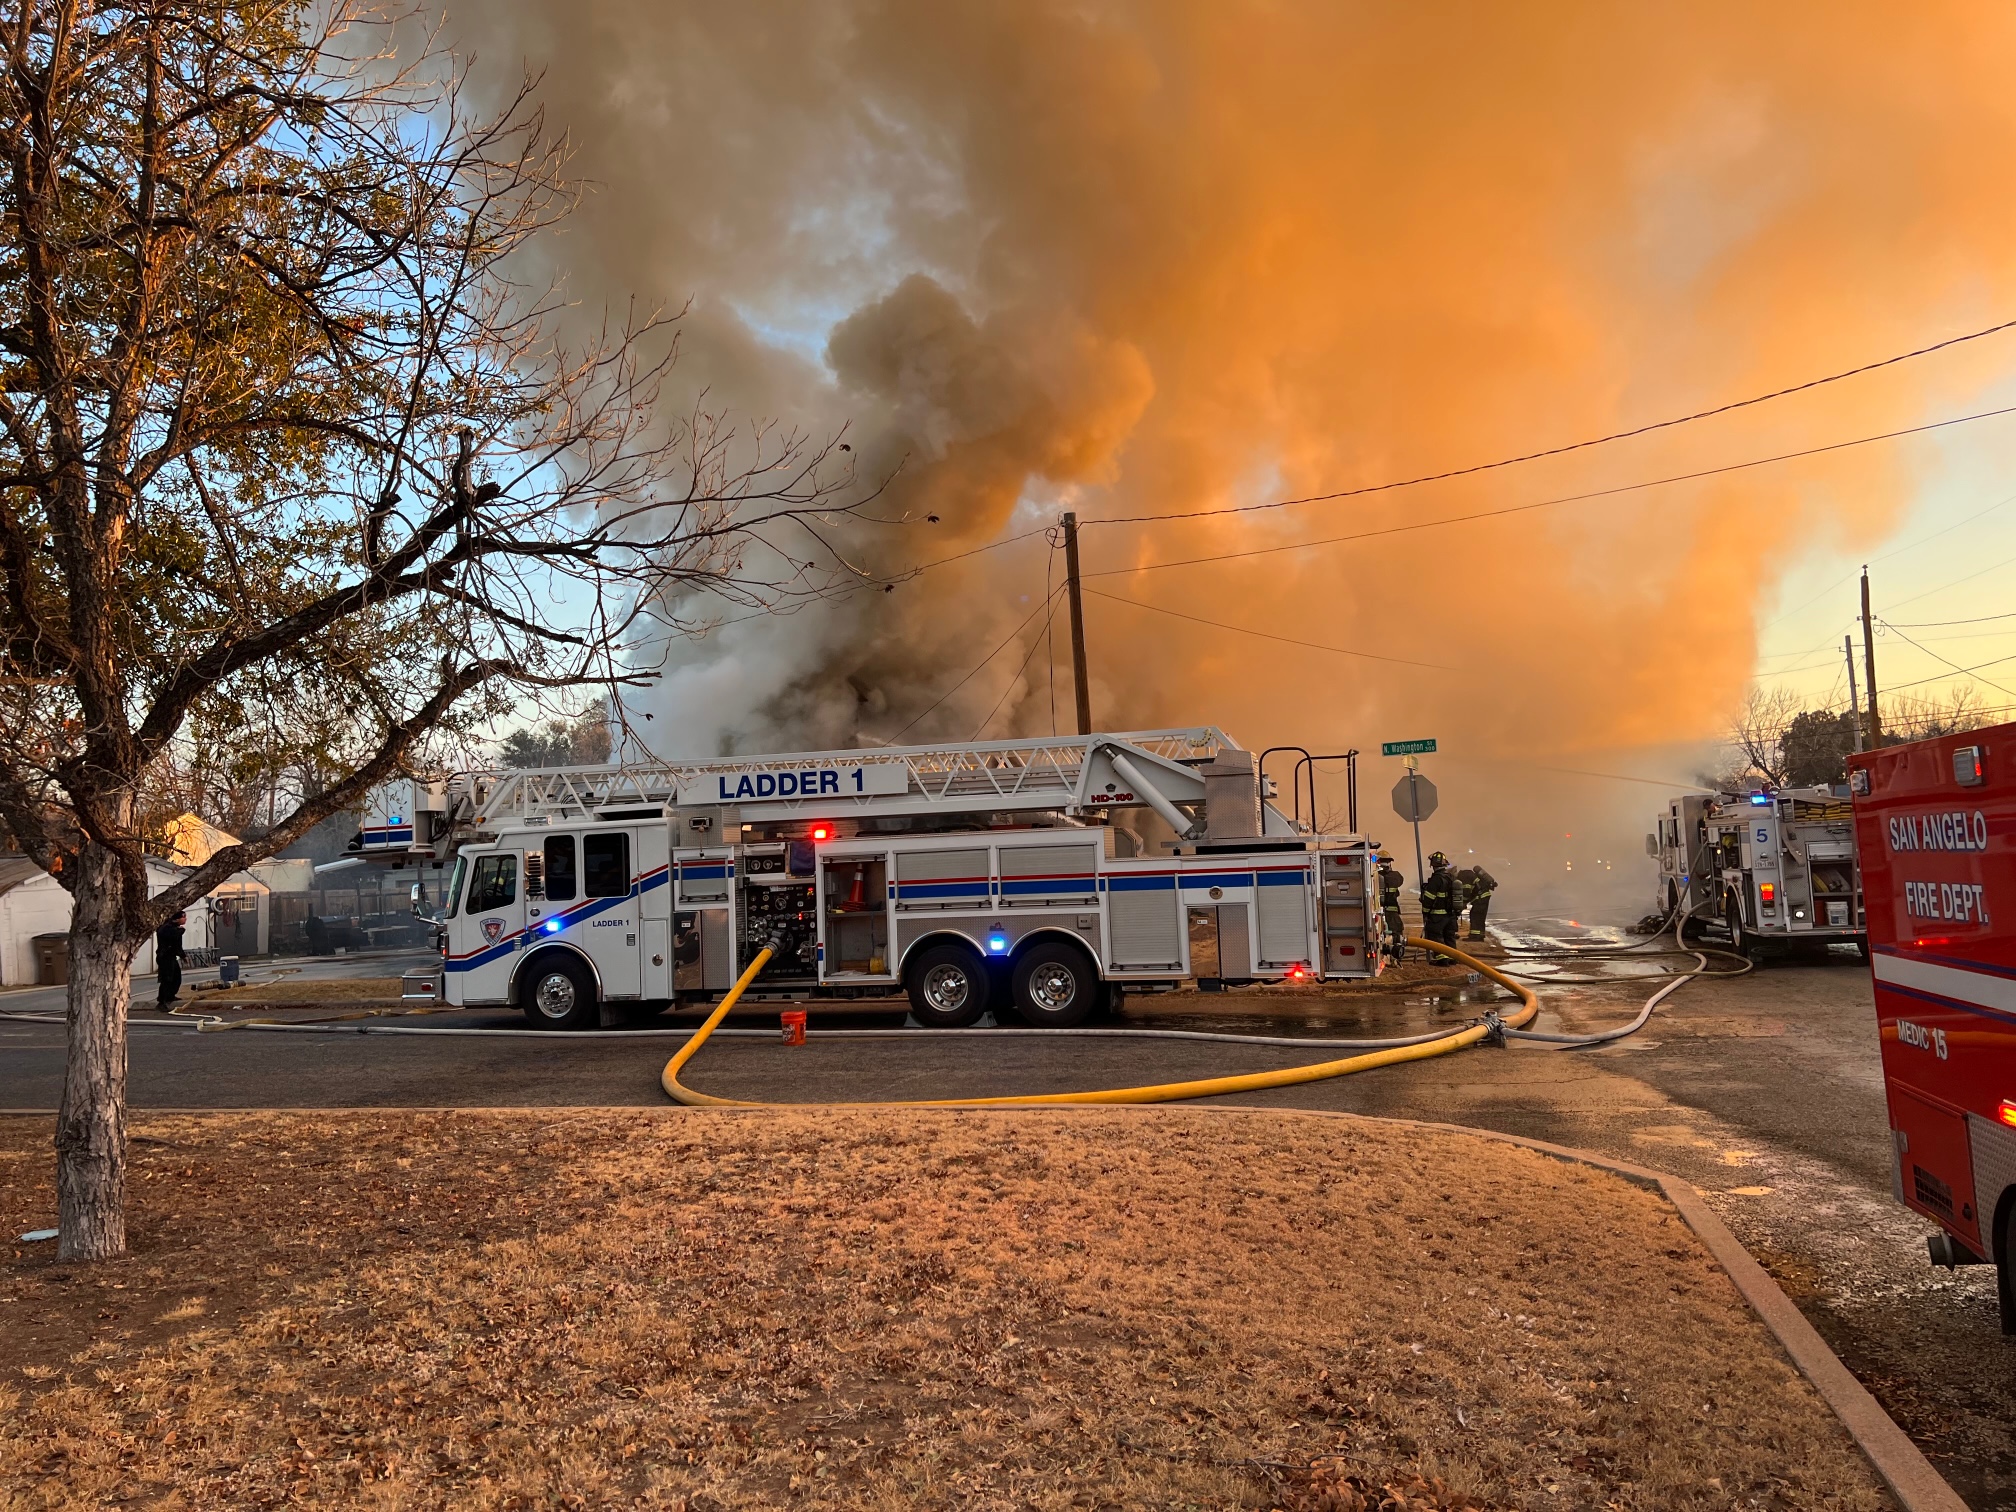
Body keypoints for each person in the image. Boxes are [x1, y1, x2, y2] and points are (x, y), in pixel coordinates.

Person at [1420, 852, 1462, 950]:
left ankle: (1442, 959)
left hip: (1437, 917)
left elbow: (1428, 899)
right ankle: (1453, 958)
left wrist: (1425, 912)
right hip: (1451, 916)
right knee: (1449, 938)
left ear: (1433, 865)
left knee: (1435, 937)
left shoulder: (1436, 879)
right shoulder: (1451, 877)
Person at [1374, 851, 1406, 963]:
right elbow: (1399, 880)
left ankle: (1384, 958)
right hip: (1392, 911)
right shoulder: (1395, 876)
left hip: (1377, 910)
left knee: (1379, 935)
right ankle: (1395, 957)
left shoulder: (1374, 876)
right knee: (1396, 934)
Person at [156, 911, 187, 1009]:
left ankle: (171, 996)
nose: (185, 919)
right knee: (167, 979)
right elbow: (172, 937)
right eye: (183, 917)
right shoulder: (166, 928)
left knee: (176, 978)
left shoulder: (176, 928)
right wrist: (180, 931)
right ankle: (162, 1001)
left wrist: (182, 956)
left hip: (172, 956)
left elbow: (177, 946)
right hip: (165, 957)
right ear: (177, 919)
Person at [1464, 862, 1498, 941]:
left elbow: (1466, 892)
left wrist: (1463, 903)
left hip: (1480, 898)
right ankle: (1480, 934)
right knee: (1481, 917)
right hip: (1484, 896)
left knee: (1475, 916)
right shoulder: (1471, 875)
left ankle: (1475, 937)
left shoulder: (1464, 877)